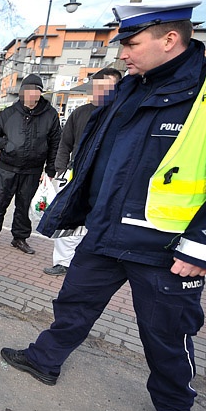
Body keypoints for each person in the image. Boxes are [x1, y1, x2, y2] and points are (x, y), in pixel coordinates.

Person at [0, 1, 206, 411]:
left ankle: (174, 410)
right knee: (73, 303)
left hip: (169, 248)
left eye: (130, 42)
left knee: (166, 334)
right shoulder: (130, 88)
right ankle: (44, 360)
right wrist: (75, 208)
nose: (122, 53)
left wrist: (205, 248)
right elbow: (99, 155)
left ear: (170, 39)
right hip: (106, 234)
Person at [43, 66, 122, 275]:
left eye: (107, 88)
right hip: (75, 176)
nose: (100, 93)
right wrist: (59, 171)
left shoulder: (122, 116)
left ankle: (89, 265)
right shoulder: (80, 113)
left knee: (96, 223)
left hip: (107, 179)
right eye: (97, 88)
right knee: (68, 220)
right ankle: (63, 262)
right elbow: (64, 144)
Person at [0, 73, 61, 254]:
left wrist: (50, 169)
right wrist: (6, 145)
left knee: (24, 206)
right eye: (28, 90)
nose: (32, 94)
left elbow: (56, 142)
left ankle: (20, 238)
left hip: (32, 171)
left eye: (36, 91)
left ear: (41, 93)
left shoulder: (50, 115)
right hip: (7, 168)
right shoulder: (10, 113)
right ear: (22, 92)